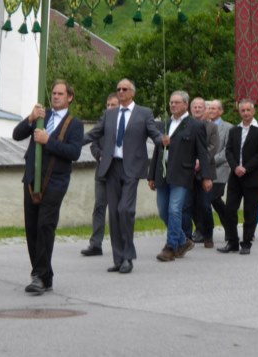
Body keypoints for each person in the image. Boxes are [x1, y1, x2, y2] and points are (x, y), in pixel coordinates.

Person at [84, 79, 164, 274]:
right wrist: (67, 142)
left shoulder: (144, 113)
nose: (120, 92)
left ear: (132, 92)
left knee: (125, 210)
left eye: (124, 89)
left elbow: (154, 134)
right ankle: (118, 259)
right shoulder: (109, 114)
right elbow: (94, 134)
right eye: (118, 89)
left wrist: (163, 140)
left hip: (132, 168)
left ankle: (128, 256)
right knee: (114, 214)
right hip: (111, 167)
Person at [14, 80, 84, 294]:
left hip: (55, 181)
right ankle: (46, 276)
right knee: (32, 228)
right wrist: (30, 118)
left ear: (69, 97)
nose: (55, 96)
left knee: (45, 226)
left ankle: (38, 276)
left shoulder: (75, 124)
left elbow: (74, 153)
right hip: (32, 179)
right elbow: (17, 135)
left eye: (60, 94)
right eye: (54, 93)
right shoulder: (41, 117)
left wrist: (48, 141)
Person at [148, 91, 213, 262]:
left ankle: (170, 247)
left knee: (174, 209)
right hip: (162, 174)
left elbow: (203, 153)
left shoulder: (195, 125)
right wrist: (151, 175)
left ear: (185, 104)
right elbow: (157, 151)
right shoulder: (165, 124)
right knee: (163, 211)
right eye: (171, 102)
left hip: (182, 175)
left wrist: (207, 177)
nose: (173, 105)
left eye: (176, 102)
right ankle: (183, 241)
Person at [218, 99, 258, 255]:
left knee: (250, 211)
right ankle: (232, 241)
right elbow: (228, 151)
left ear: (253, 111)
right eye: (243, 110)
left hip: (253, 177)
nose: (246, 113)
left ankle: (246, 243)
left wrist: (246, 168)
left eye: (248, 110)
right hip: (235, 176)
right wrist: (235, 167)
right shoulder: (234, 130)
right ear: (239, 112)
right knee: (230, 210)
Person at [80, 92, 119, 257]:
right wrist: (100, 155)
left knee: (118, 210)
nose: (110, 108)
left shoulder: (125, 124)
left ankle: (120, 245)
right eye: (108, 105)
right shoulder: (102, 124)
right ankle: (96, 244)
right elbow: (93, 143)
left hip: (118, 172)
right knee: (99, 207)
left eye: (113, 105)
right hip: (102, 172)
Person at [186, 97, 219, 247]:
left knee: (205, 205)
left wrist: (201, 160)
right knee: (191, 204)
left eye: (200, 107)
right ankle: (198, 229)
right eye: (195, 107)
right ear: (190, 109)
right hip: (188, 171)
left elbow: (213, 147)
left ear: (205, 110)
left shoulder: (212, 127)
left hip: (206, 171)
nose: (198, 109)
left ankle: (208, 233)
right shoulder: (185, 125)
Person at [208, 99, 233, 239]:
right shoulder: (204, 126)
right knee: (208, 200)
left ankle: (229, 227)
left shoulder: (228, 127)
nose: (211, 111)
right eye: (209, 108)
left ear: (221, 111)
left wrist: (210, 160)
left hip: (220, 168)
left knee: (214, 197)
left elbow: (227, 150)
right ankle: (206, 229)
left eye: (214, 108)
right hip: (205, 169)